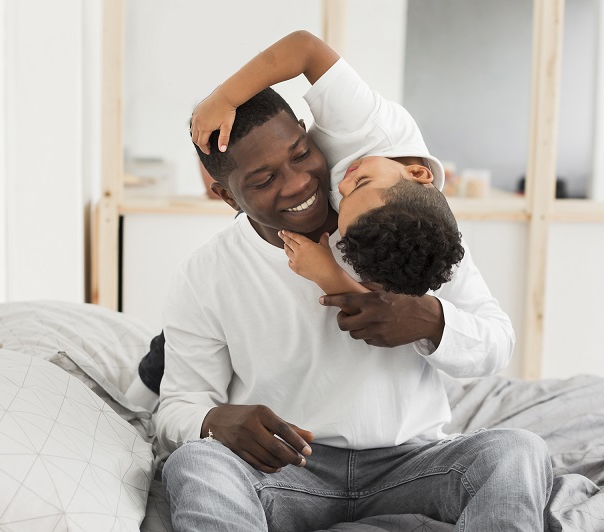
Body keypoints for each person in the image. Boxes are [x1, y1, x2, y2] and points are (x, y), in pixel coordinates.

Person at [154, 30, 552, 531]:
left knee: (518, 452)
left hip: (410, 464)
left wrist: (429, 319)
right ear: (226, 196)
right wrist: (213, 421)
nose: (298, 183)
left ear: (307, 133)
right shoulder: (205, 274)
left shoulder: (396, 221)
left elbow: (498, 343)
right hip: (291, 470)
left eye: (301, 155)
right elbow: (176, 409)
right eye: (263, 179)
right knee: (195, 464)